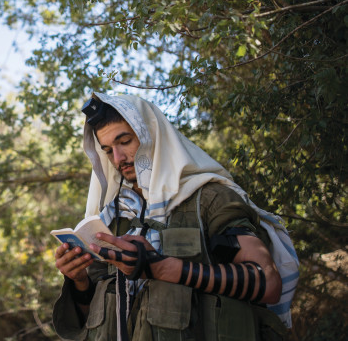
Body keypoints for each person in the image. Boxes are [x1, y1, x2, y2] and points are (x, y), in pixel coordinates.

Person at [52, 92, 289, 340]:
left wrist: (162, 268)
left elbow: (268, 282)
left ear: (151, 137)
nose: (118, 158)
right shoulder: (113, 218)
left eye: (125, 141)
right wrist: (78, 281)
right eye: (108, 150)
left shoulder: (210, 200)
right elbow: (94, 313)